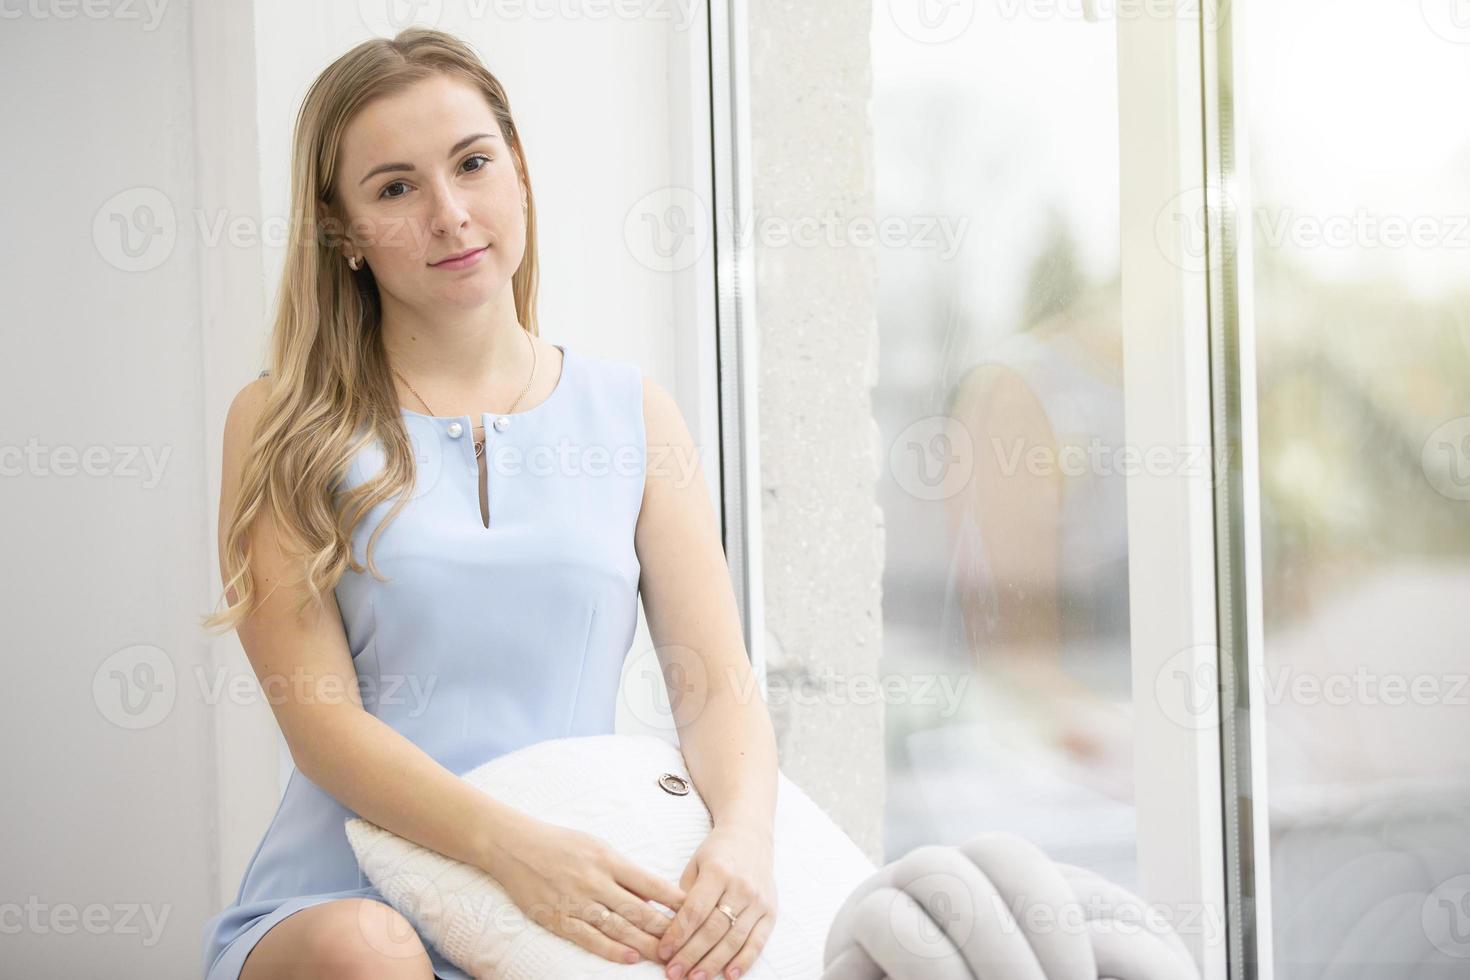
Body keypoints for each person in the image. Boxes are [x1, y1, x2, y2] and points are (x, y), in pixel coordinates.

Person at [199, 28, 778, 980]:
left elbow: (715, 687)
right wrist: (515, 852)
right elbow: (320, 724)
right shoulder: (280, 421)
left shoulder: (633, 414)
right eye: (395, 188)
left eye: (473, 164)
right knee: (369, 951)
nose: (449, 213)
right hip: (345, 899)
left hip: (577, 898)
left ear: (519, 176)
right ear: (340, 230)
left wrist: (747, 839)